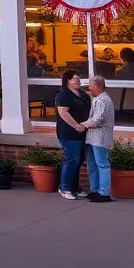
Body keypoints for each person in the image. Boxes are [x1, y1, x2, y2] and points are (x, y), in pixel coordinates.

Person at [54, 69, 90, 200]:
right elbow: (63, 112)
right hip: (69, 133)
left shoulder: (83, 95)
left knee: (79, 160)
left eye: (78, 78)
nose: (78, 80)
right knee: (72, 159)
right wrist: (76, 125)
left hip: (83, 132)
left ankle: (75, 187)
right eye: (75, 78)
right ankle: (64, 187)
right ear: (68, 81)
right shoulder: (63, 95)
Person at [80, 75, 114, 202]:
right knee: (92, 165)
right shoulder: (96, 99)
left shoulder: (104, 100)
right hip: (91, 138)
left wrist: (82, 125)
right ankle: (95, 190)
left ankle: (104, 192)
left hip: (101, 138)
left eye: (90, 85)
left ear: (96, 86)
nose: (89, 88)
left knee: (102, 164)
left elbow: (98, 119)